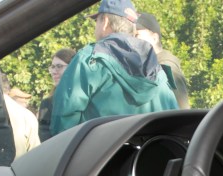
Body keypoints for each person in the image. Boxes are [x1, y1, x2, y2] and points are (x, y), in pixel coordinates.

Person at [50, 0, 178, 136]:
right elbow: (173, 123)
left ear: (105, 21)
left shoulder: (89, 59)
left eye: (96, 21)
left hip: (99, 156)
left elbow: (63, 120)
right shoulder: (158, 71)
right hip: (146, 155)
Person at [134, 13, 190, 109]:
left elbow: (182, 112)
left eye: (137, 35)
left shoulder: (167, 68)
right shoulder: (149, 67)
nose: (132, 40)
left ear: (155, 38)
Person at [38, 48, 76, 141]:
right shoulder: (47, 104)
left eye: (59, 66)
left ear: (73, 67)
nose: (54, 72)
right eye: (52, 67)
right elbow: (45, 140)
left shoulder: (87, 99)